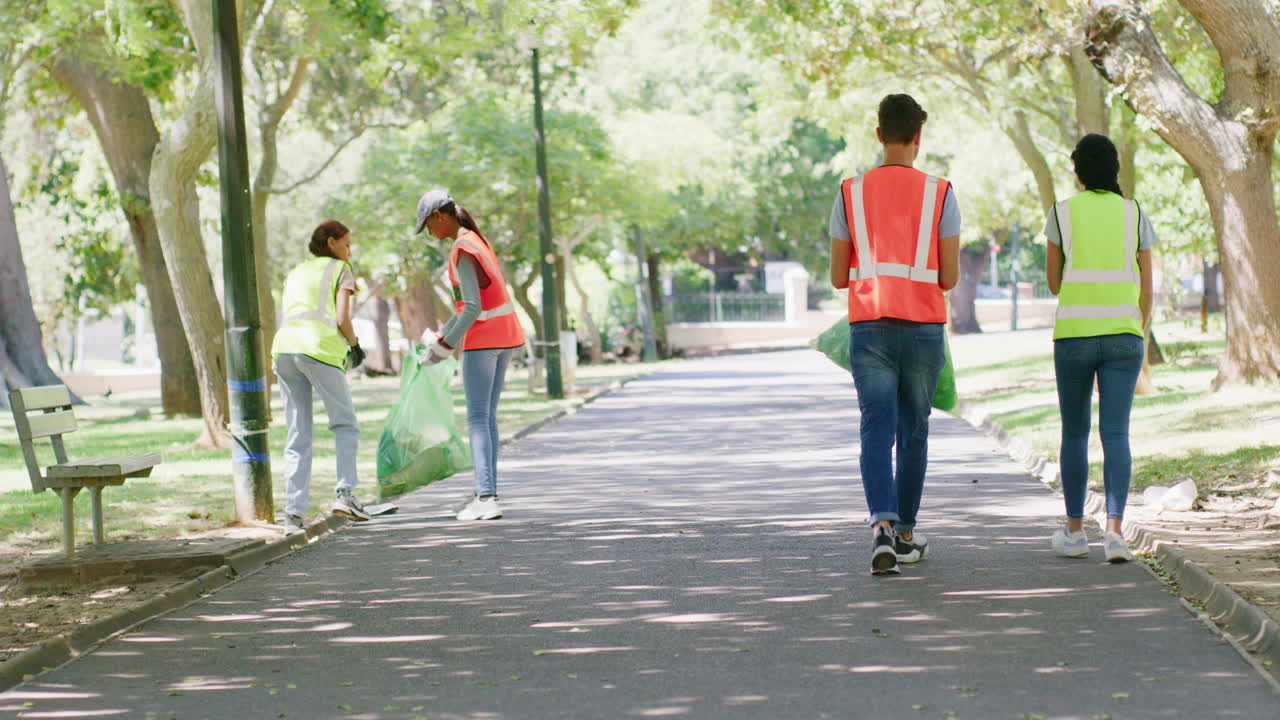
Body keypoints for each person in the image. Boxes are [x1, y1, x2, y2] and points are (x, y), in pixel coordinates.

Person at [828, 94, 960, 575]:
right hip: (924, 328)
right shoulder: (940, 192)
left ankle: (881, 529)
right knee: (914, 431)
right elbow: (949, 277)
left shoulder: (849, 192)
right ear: (918, 138)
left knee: (875, 429)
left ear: (879, 134)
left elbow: (839, 276)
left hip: (870, 326)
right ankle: (905, 533)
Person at [1044, 133, 1155, 563]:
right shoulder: (1135, 213)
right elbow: (1148, 288)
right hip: (1124, 337)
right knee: (1116, 433)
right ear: (1115, 170)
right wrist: (1136, 330)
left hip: (1073, 336)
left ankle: (1074, 533)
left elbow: (1054, 283)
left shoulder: (1061, 213)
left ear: (1078, 173)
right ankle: (1114, 534)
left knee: (1074, 433)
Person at [414, 189, 526, 521]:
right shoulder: (478, 241)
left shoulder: (462, 248)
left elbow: (473, 309)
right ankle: (487, 493)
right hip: (506, 336)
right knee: (487, 418)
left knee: (477, 419)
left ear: (439, 217)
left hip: (484, 341)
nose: (429, 234)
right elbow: (470, 304)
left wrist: (443, 346)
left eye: (428, 226)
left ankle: (486, 497)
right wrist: (443, 335)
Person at [271, 220, 370, 535]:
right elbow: (342, 318)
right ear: (331, 243)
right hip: (319, 349)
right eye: (346, 244)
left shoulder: (296, 271)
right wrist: (355, 346)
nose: (349, 250)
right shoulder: (341, 269)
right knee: (345, 423)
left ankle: (293, 515)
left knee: (298, 432)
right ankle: (345, 495)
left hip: (284, 349)